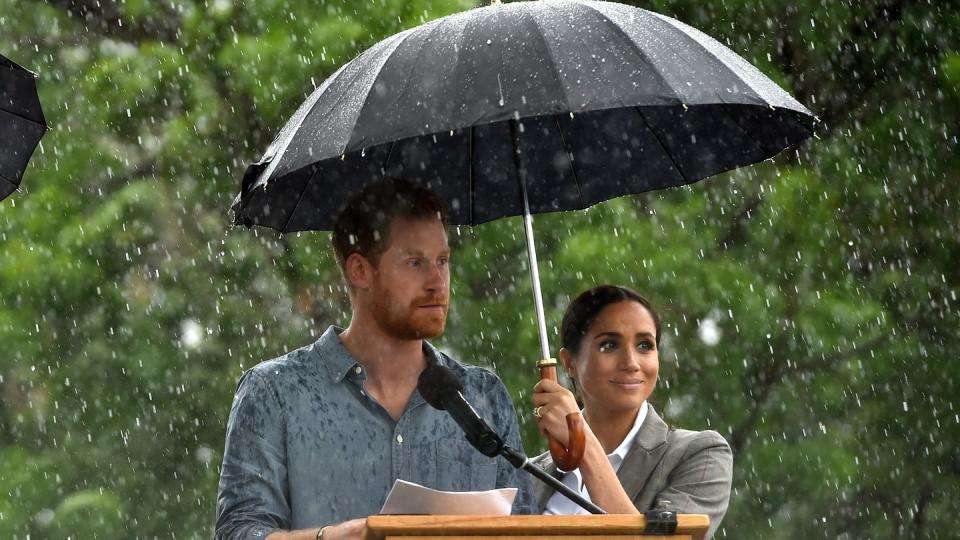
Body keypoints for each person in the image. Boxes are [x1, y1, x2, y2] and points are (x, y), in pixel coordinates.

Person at [215, 179, 535, 540]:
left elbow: (526, 529)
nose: (437, 282)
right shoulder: (274, 392)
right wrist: (336, 537)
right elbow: (237, 532)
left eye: (442, 261)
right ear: (360, 271)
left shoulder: (484, 396)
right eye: (415, 262)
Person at [531, 285, 732, 538]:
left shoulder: (701, 453)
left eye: (645, 345)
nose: (631, 363)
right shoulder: (528, 473)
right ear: (570, 362)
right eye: (609, 345)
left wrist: (583, 445)